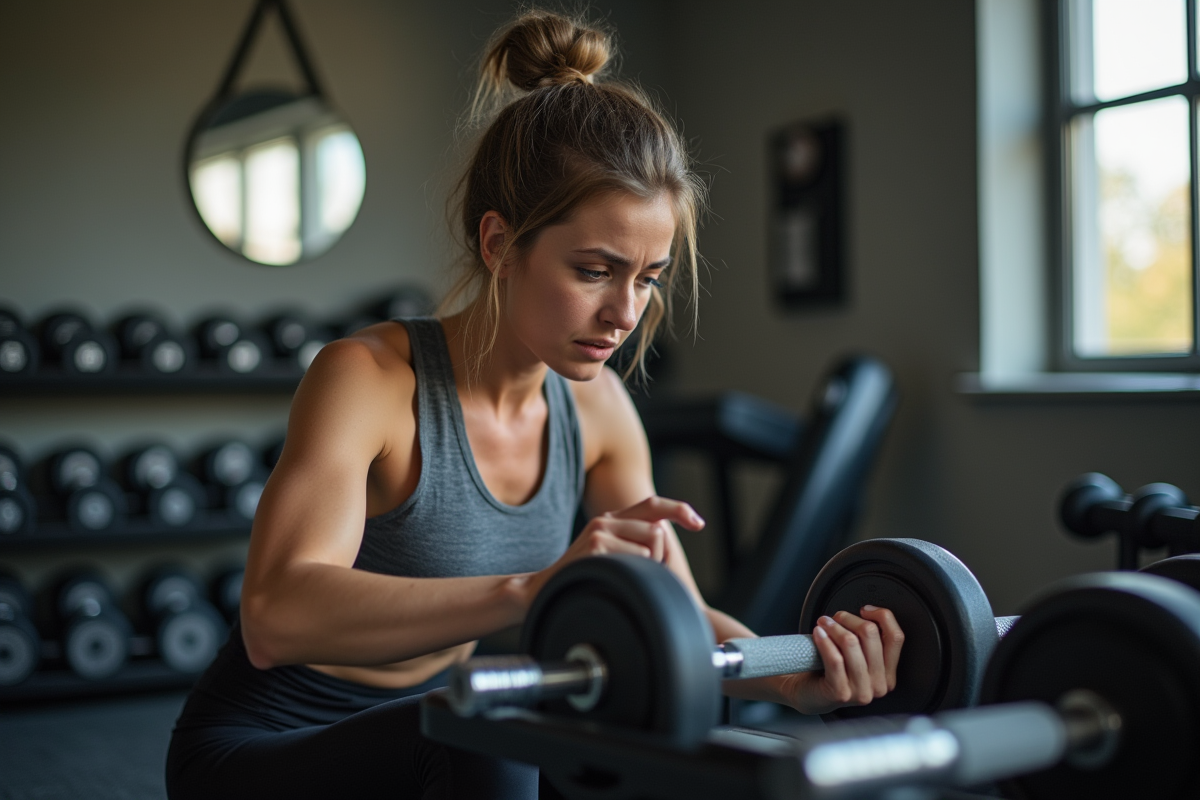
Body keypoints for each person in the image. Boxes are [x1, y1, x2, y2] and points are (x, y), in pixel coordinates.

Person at [165, 10, 904, 800]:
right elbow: (276, 616)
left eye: (648, 277)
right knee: (495, 739)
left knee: (609, 747)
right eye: (594, 269)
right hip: (265, 745)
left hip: (438, 727)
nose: (625, 312)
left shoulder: (599, 412)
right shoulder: (370, 379)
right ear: (498, 245)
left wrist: (792, 679)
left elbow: (680, 617)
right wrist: (534, 586)